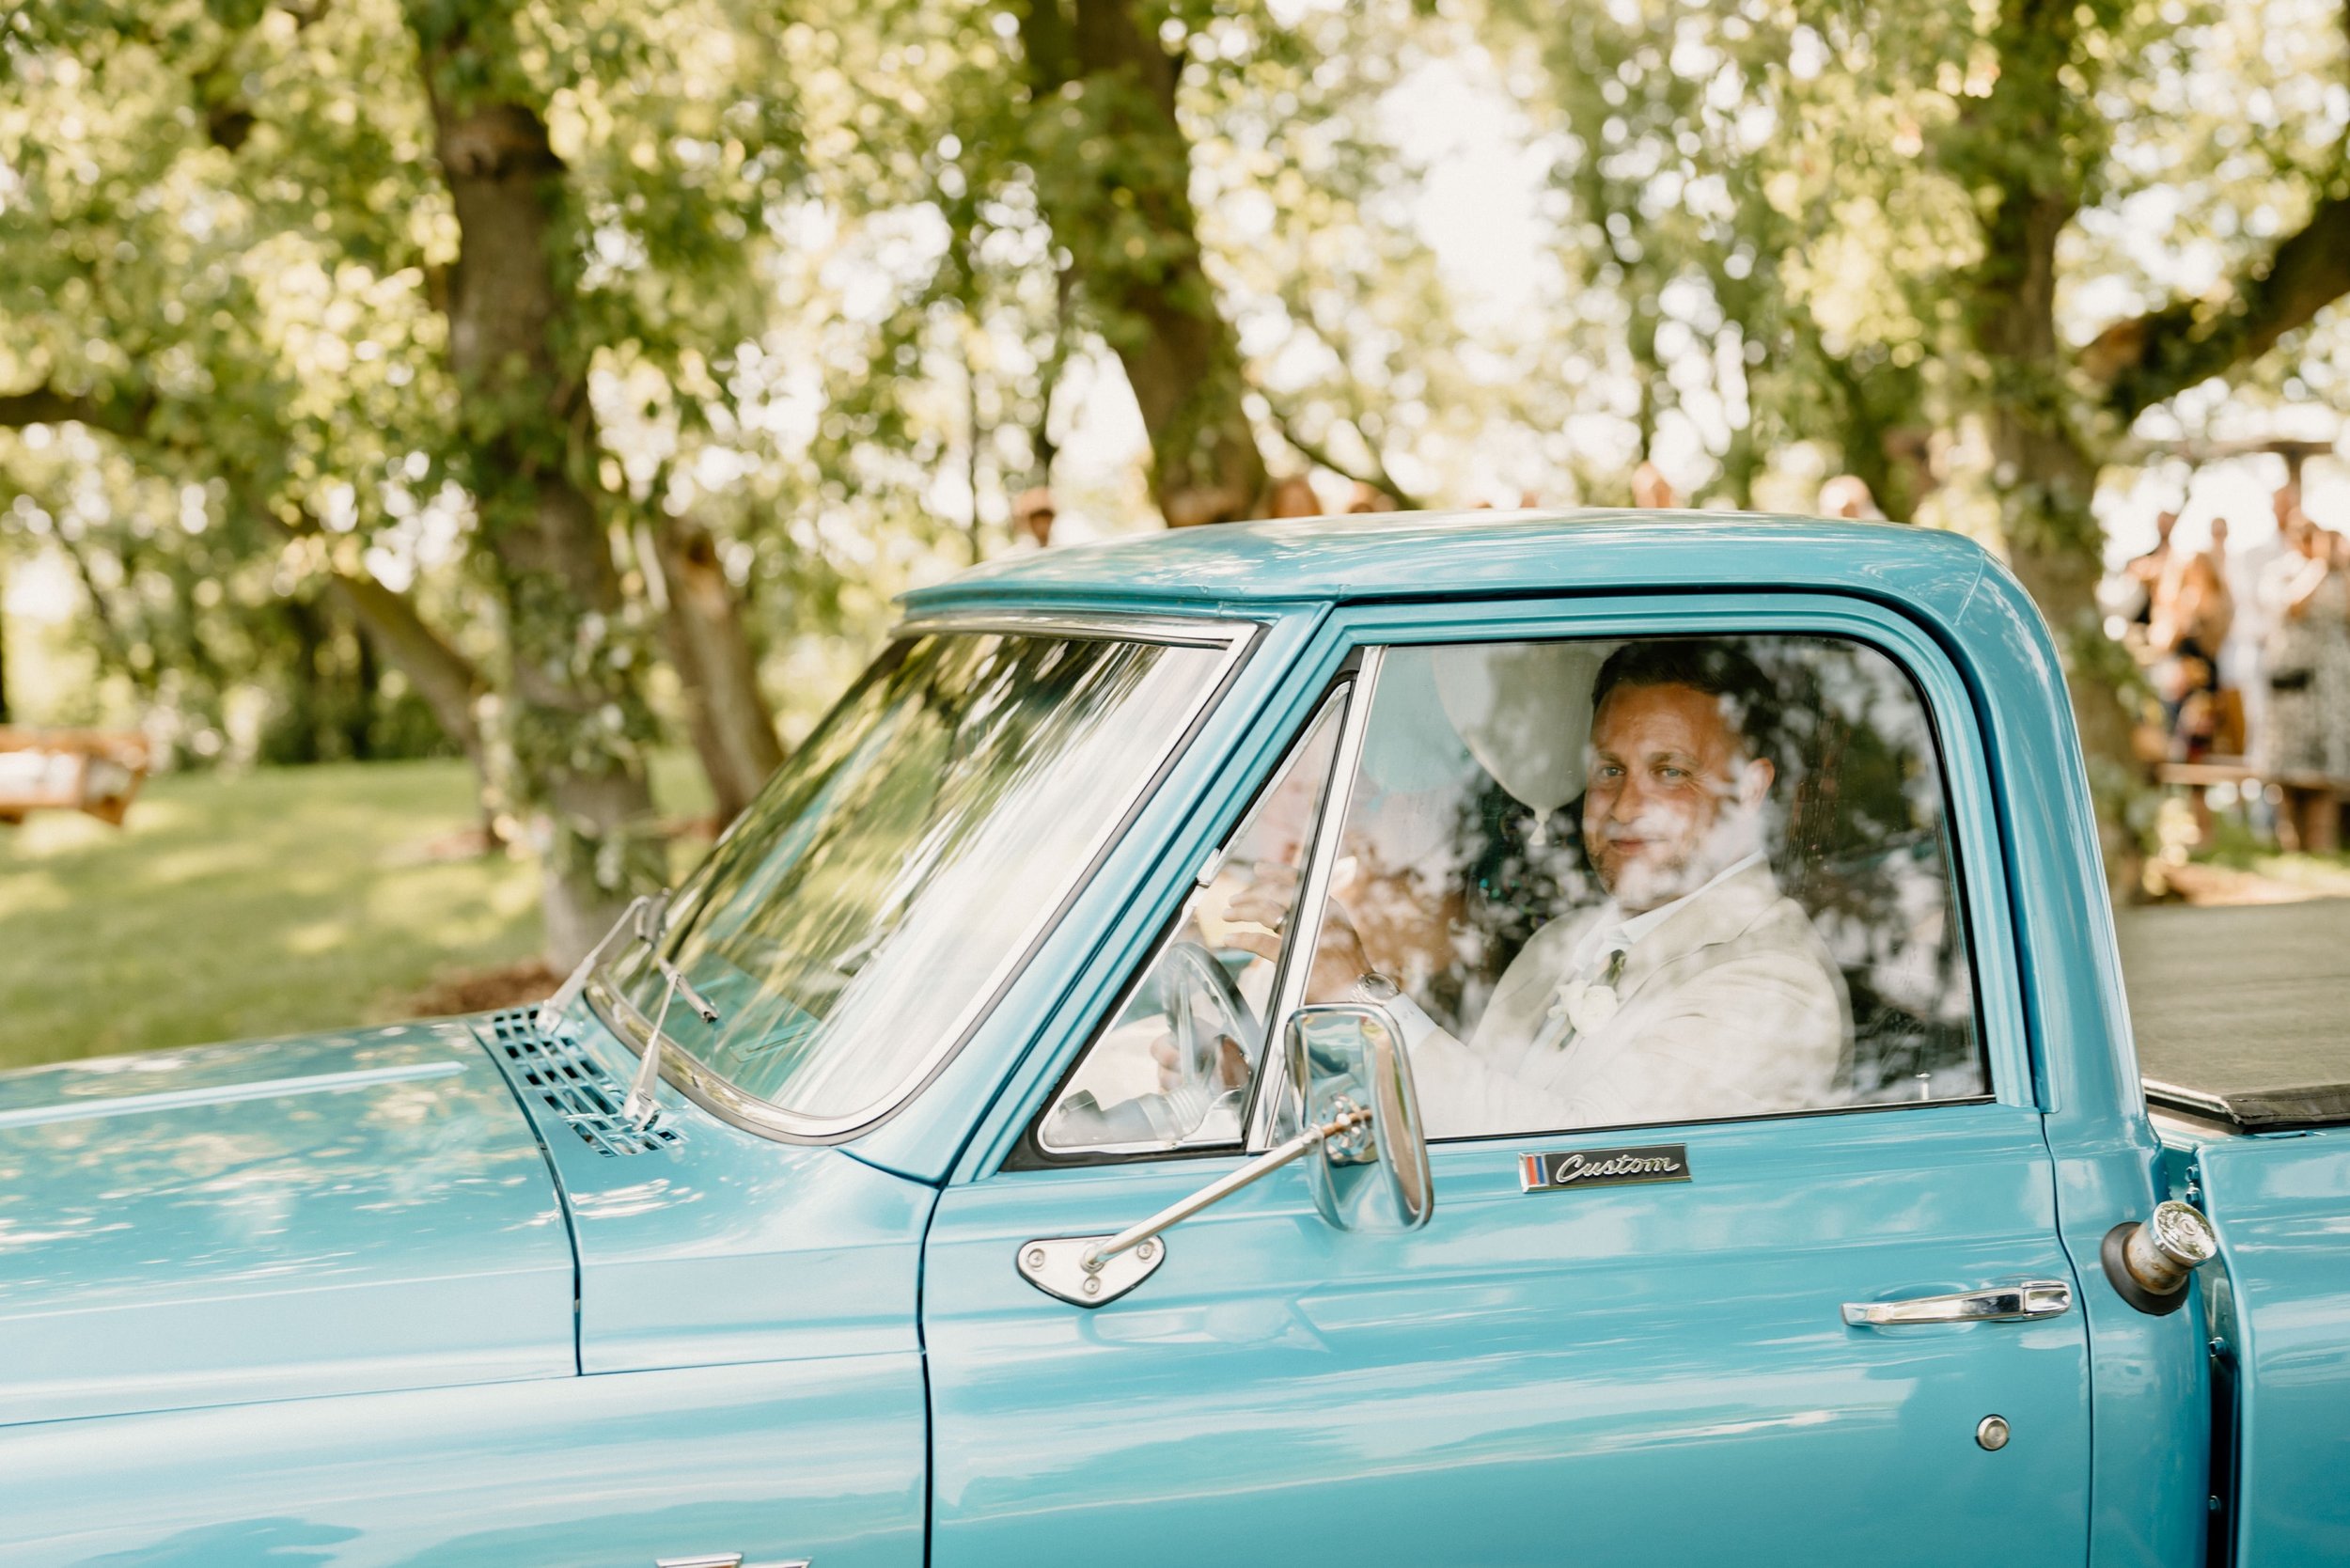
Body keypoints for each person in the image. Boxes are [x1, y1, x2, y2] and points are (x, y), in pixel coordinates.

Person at [1235, 639, 1848, 1137]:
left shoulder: (1774, 985)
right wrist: (1286, 1089)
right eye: (1610, 770)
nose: (1625, 805)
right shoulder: (1566, 940)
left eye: (1670, 772)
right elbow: (1466, 1111)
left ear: (1748, 792)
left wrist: (1359, 994)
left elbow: (1578, 1163)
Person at [2258, 516, 2350, 851]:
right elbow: (2291, 607)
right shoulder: (2281, 571)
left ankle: (2323, 844)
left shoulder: (2342, 576)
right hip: (2292, 680)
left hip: (2332, 686)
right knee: (2288, 766)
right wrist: (2319, 567)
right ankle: (2291, 844)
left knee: (2326, 767)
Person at [1010, 487, 1057, 551]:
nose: (1043, 525)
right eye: (1037, 521)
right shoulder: (1019, 552)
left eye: (1046, 519)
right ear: (1030, 523)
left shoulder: (1060, 547)